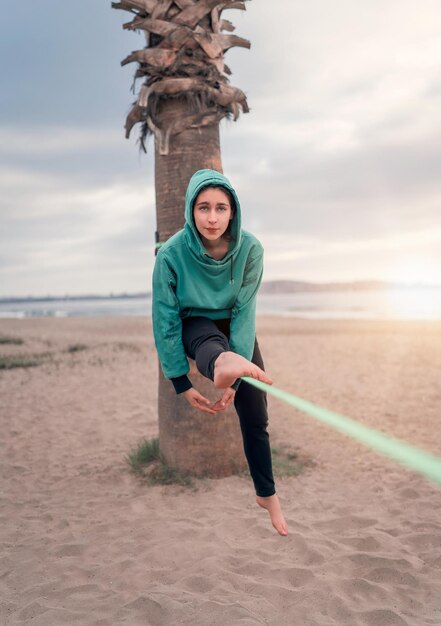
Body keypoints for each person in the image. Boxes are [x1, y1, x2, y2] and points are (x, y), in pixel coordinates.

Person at [152, 169, 288, 536]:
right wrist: (180, 380)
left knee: (256, 417)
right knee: (210, 344)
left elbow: (245, 311)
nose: (212, 218)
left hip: (235, 324)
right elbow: (164, 317)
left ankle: (266, 493)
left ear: (233, 212)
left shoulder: (251, 249)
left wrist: (238, 381)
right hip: (194, 323)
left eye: (221, 208)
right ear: (191, 211)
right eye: (203, 208)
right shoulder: (170, 254)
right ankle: (223, 363)